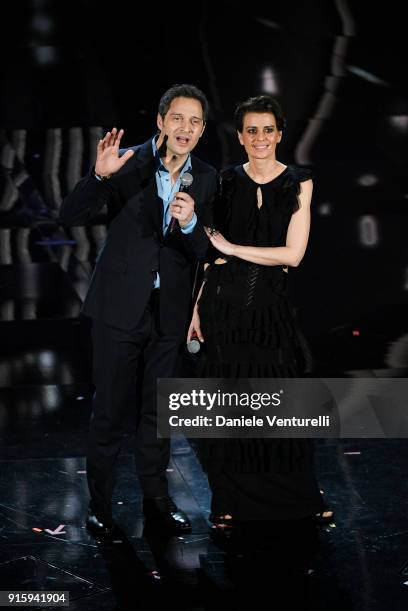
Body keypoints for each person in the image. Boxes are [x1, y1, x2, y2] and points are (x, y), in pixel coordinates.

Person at [59, 84, 217, 536]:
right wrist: (99, 177)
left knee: (159, 414)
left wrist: (189, 224)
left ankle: (157, 503)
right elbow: (69, 215)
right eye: (178, 118)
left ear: (202, 130)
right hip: (117, 311)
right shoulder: (126, 162)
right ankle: (100, 506)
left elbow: (204, 251)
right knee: (109, 411)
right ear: (162, 121)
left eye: (195, 122)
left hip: (169, 314)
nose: (185, 128)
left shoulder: (206, 178)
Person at [188, 94, 332, 527]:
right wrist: (195, 310)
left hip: (271, 311)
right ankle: (229, 499)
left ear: (280, 134)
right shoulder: (226, 182)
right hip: (222, 308)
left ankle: (298, 497)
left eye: (268, 129)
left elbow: (293, 254)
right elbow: (210, 257)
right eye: (251, 130)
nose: (260, 137)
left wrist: (233, 248)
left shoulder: (299, 182)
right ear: (240, 136)